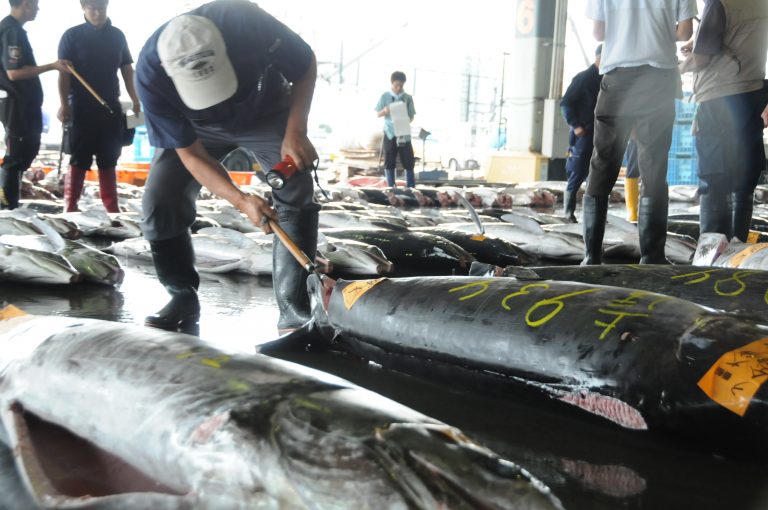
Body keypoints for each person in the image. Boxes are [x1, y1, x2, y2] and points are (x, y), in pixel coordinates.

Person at [135, 0, 318, 333]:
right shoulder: (150, 74)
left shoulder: (244, 20)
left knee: (295, 185)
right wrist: (240, 200)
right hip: (197, 129)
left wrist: (296, 132)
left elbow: (304, 67)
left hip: (264, 110)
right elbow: (190, 155)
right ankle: (181, 297)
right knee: (160, 199)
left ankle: (295, 313)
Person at [582, 0, 696, 264]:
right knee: (653, 165)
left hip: (617, 80)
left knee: (602, 163)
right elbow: (685, 32)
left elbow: (598, 34)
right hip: (657, 78)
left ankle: (591, 256)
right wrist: (655, 31)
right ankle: (652, 256)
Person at [679, 0, 768, 242]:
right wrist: (696, 43)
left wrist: (678, 68)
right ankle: (736, 250)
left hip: (719, 98)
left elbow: (702, 58)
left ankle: (713, 254)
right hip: (752, 94)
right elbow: (736, 36)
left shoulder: (718, 3)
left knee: (714, 179)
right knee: (743, 181)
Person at [57, 0, 139, 213]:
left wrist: (136, 98)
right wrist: (64, 104)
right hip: (81, 108)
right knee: (79, 157)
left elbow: (127, 70)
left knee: (109, 157)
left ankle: (112, 209)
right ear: (83, 8)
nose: (97, 13)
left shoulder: (117, 35)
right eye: (92, 8)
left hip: (110, 106)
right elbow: (64, 73)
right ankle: (70, 206)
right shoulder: (71, 35)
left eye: (101, 8)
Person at [0, 0, 70, 210]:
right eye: (35, 4)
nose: (38, 9)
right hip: (17, 103)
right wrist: (52, 66)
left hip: (23, 104)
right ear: (25, 4)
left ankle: (11, 204)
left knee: (26, 151)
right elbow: (14, 73)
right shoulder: (12, 32)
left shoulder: (15, 30)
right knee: (16, 156)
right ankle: (8, 207)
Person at [560, 44, 602, 222]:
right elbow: (566, 103)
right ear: (598, 56)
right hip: (585, 133)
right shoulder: (584, 78)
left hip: (603, 134)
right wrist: (575, 125)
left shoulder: (608, 79)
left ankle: (594, 215)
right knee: (578, 172)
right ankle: (568, 212)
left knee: (598, 174)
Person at [375, 71, 416, 188]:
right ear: (392, 84)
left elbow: (412, 115)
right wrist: (385, 111)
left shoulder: (407, 98)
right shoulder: (385, 96)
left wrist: (406, 119)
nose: (398, 88)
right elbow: (378, 113)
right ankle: (390, 186)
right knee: (389, 160)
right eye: (396, 85)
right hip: (390, 132)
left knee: (408, 159)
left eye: (401, 86)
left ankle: (411, 186)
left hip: (403, 131)